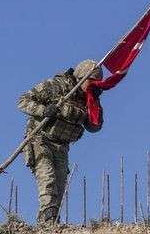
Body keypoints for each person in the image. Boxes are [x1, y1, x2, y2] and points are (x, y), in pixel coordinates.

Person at [18, 59, 104, 224]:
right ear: (80, 78)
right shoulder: (57, 86)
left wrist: (95, 102)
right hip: (40, 139)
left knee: (60, 186)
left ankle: (50, 222)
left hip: (62, 146)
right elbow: (22, 100)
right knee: (47, 179)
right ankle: (48, 220)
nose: (94, 85)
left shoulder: (90, 99)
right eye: (91, 81)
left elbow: (94, 127)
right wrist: (44, 110)